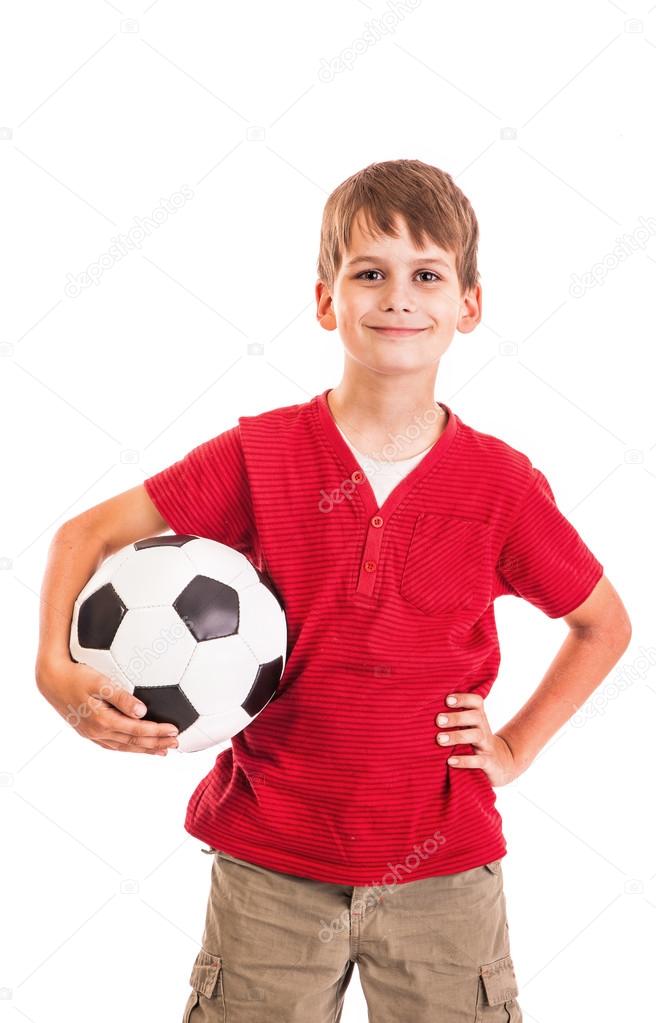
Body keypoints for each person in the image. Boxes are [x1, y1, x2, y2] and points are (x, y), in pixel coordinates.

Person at [35, 159, 632, 1022]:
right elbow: (80, 534)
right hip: (271, 867)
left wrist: (516, 746)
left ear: (468, 304)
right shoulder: (261, 454)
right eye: (370, 273)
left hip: (444, 874)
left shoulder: (500, 486)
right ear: (326, 301)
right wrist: (55, 674)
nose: (399, 296)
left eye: (427, 274)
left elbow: (602, 625)